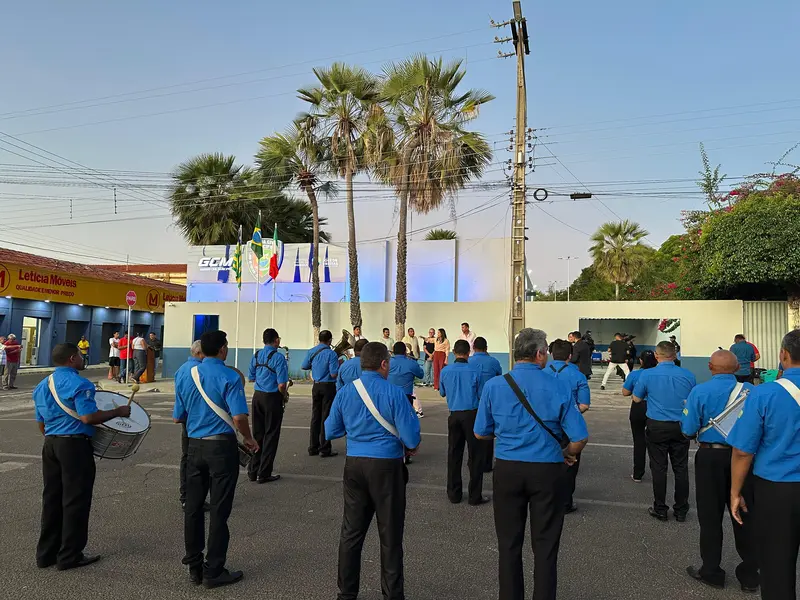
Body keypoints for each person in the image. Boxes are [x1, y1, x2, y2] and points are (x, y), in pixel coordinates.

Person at [475, 328, 589, 600]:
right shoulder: (559, 385)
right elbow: (580, 437)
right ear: (539, 354)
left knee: (509, 543)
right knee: (546, 545)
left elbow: (481, 432)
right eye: (546, 351)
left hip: (508, 468)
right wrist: (568, 452)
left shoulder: (495, 385)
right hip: (547, 470)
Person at [325, 342, 421, 600]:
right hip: (387, 467)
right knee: (390, 535)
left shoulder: (345, 393)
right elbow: (411, 438)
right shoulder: (394, 393)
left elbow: (330, 430)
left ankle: (346, 593)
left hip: (355, 465)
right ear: (383, 364)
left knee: (351, 532)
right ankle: (392, 594)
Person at [172, 329, 258, 588]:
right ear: (223, 350)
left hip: (194, 447)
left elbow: (178, 416)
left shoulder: (185, 374)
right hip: (221, 449)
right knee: (220, 511)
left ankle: (194, 567)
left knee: (194, 509)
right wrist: (249, 439)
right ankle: (214, 570)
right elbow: (239, 417)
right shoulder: (230, 376)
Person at [34, 343, 131, 570]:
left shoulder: (41, 385)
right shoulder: (80, 383)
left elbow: (41, 422)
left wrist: (54, 438)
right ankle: (70, 555)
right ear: (71, 359)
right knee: (75, 501)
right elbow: (88, 417)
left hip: (51, 444)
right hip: (74, 447)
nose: (82, 358)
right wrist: (118, 412)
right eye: (79, 355)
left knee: (52, 499)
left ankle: (46, 554)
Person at [729, 329, 800, 600]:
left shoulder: (764, 394)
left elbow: (743, 451)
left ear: (783, 355)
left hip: (777, 490)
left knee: (777, 566)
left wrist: (736, 492)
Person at [681, 350, 759, 593]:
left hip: (710, 457)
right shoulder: (753, 392)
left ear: (710, 367)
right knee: (745, 513)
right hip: (745, 458)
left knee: (710, 516)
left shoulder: (699, 392)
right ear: (737, 368)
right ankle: (749, 576)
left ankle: (712, 571)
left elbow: (688, 428)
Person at [633, 341, 697, 522]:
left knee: (659, 468)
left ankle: (660, 508)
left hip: (657, 426)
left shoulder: (647, 374)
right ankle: (681, 509)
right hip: (680, 426)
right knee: (681, 468)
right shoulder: (688, 375)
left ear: (656, 355)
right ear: (675, 355)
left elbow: (636, 398)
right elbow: (692, 400)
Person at [546, 339, 590, 513]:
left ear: (550, 354)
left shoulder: (542, 372)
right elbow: (584, 405)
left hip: (544, 426)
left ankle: (546, 498)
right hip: (568, 428)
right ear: (570, 356)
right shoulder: (578, 375)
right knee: (570, 462)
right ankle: (565, 502)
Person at [440, 339, 486, 504]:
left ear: (453, 352)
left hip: (454, 415)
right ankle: (475, 496)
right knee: (475, 456)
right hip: (472, 415)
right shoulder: (475, 371)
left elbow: (442, 393)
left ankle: (454, 494)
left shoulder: (445, 371)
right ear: (469, 353)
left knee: (454, 454)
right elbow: (481, 394)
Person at [247, 328, 288, 484]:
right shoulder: (279, 358)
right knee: (271, 435)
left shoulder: (256, 355)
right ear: (276, 340)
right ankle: (264, 473)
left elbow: (251, 378)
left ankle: (252, 470)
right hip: (272, 398)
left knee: (258, 434)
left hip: (257, 397)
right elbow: (282, 384)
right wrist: (283, 396)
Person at [174, 341, 207, 509]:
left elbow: (179, 396)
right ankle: (198, 497)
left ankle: (186, 496)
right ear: (201, 353)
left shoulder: (181, 369)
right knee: (203, 459)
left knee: (187, 457)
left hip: (187, 419)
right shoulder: (202, 370)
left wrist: (178, 415)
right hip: (202, 419)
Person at [301, 330, 339, 458]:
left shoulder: (312, 351)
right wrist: (339, 365)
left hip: (316, 386)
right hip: (328, 386)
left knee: (315, 417)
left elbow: (304, 366)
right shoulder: (331, 354)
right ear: (330, 340)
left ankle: (313, 447)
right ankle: (325, 448)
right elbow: (334, 374)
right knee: (326, 417)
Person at [622, 350, 657, 483]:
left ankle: (638, 473)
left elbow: (625, 392)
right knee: (655, 442)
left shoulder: (635, 374)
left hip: (638, 407)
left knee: (639, 440)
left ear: (641, 361)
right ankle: (657, 470)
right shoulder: (657, 374)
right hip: (655, 407)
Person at [469, 337, 503, 472]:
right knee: (488, 433)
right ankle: (487, 464)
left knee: (474, 434)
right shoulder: (493, 361)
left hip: (473, 402)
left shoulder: (468, 361)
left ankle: (473, 462)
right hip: (490, 401)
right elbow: (499, 375)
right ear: (486, 348)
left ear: (473, 348)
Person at [389, 341, 424, 424]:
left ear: (393, 351)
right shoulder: (411, 363)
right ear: (405, 351)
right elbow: (421, 374)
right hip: (406, 397)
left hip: (390, 396)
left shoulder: (387, 363)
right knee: (405, 422)